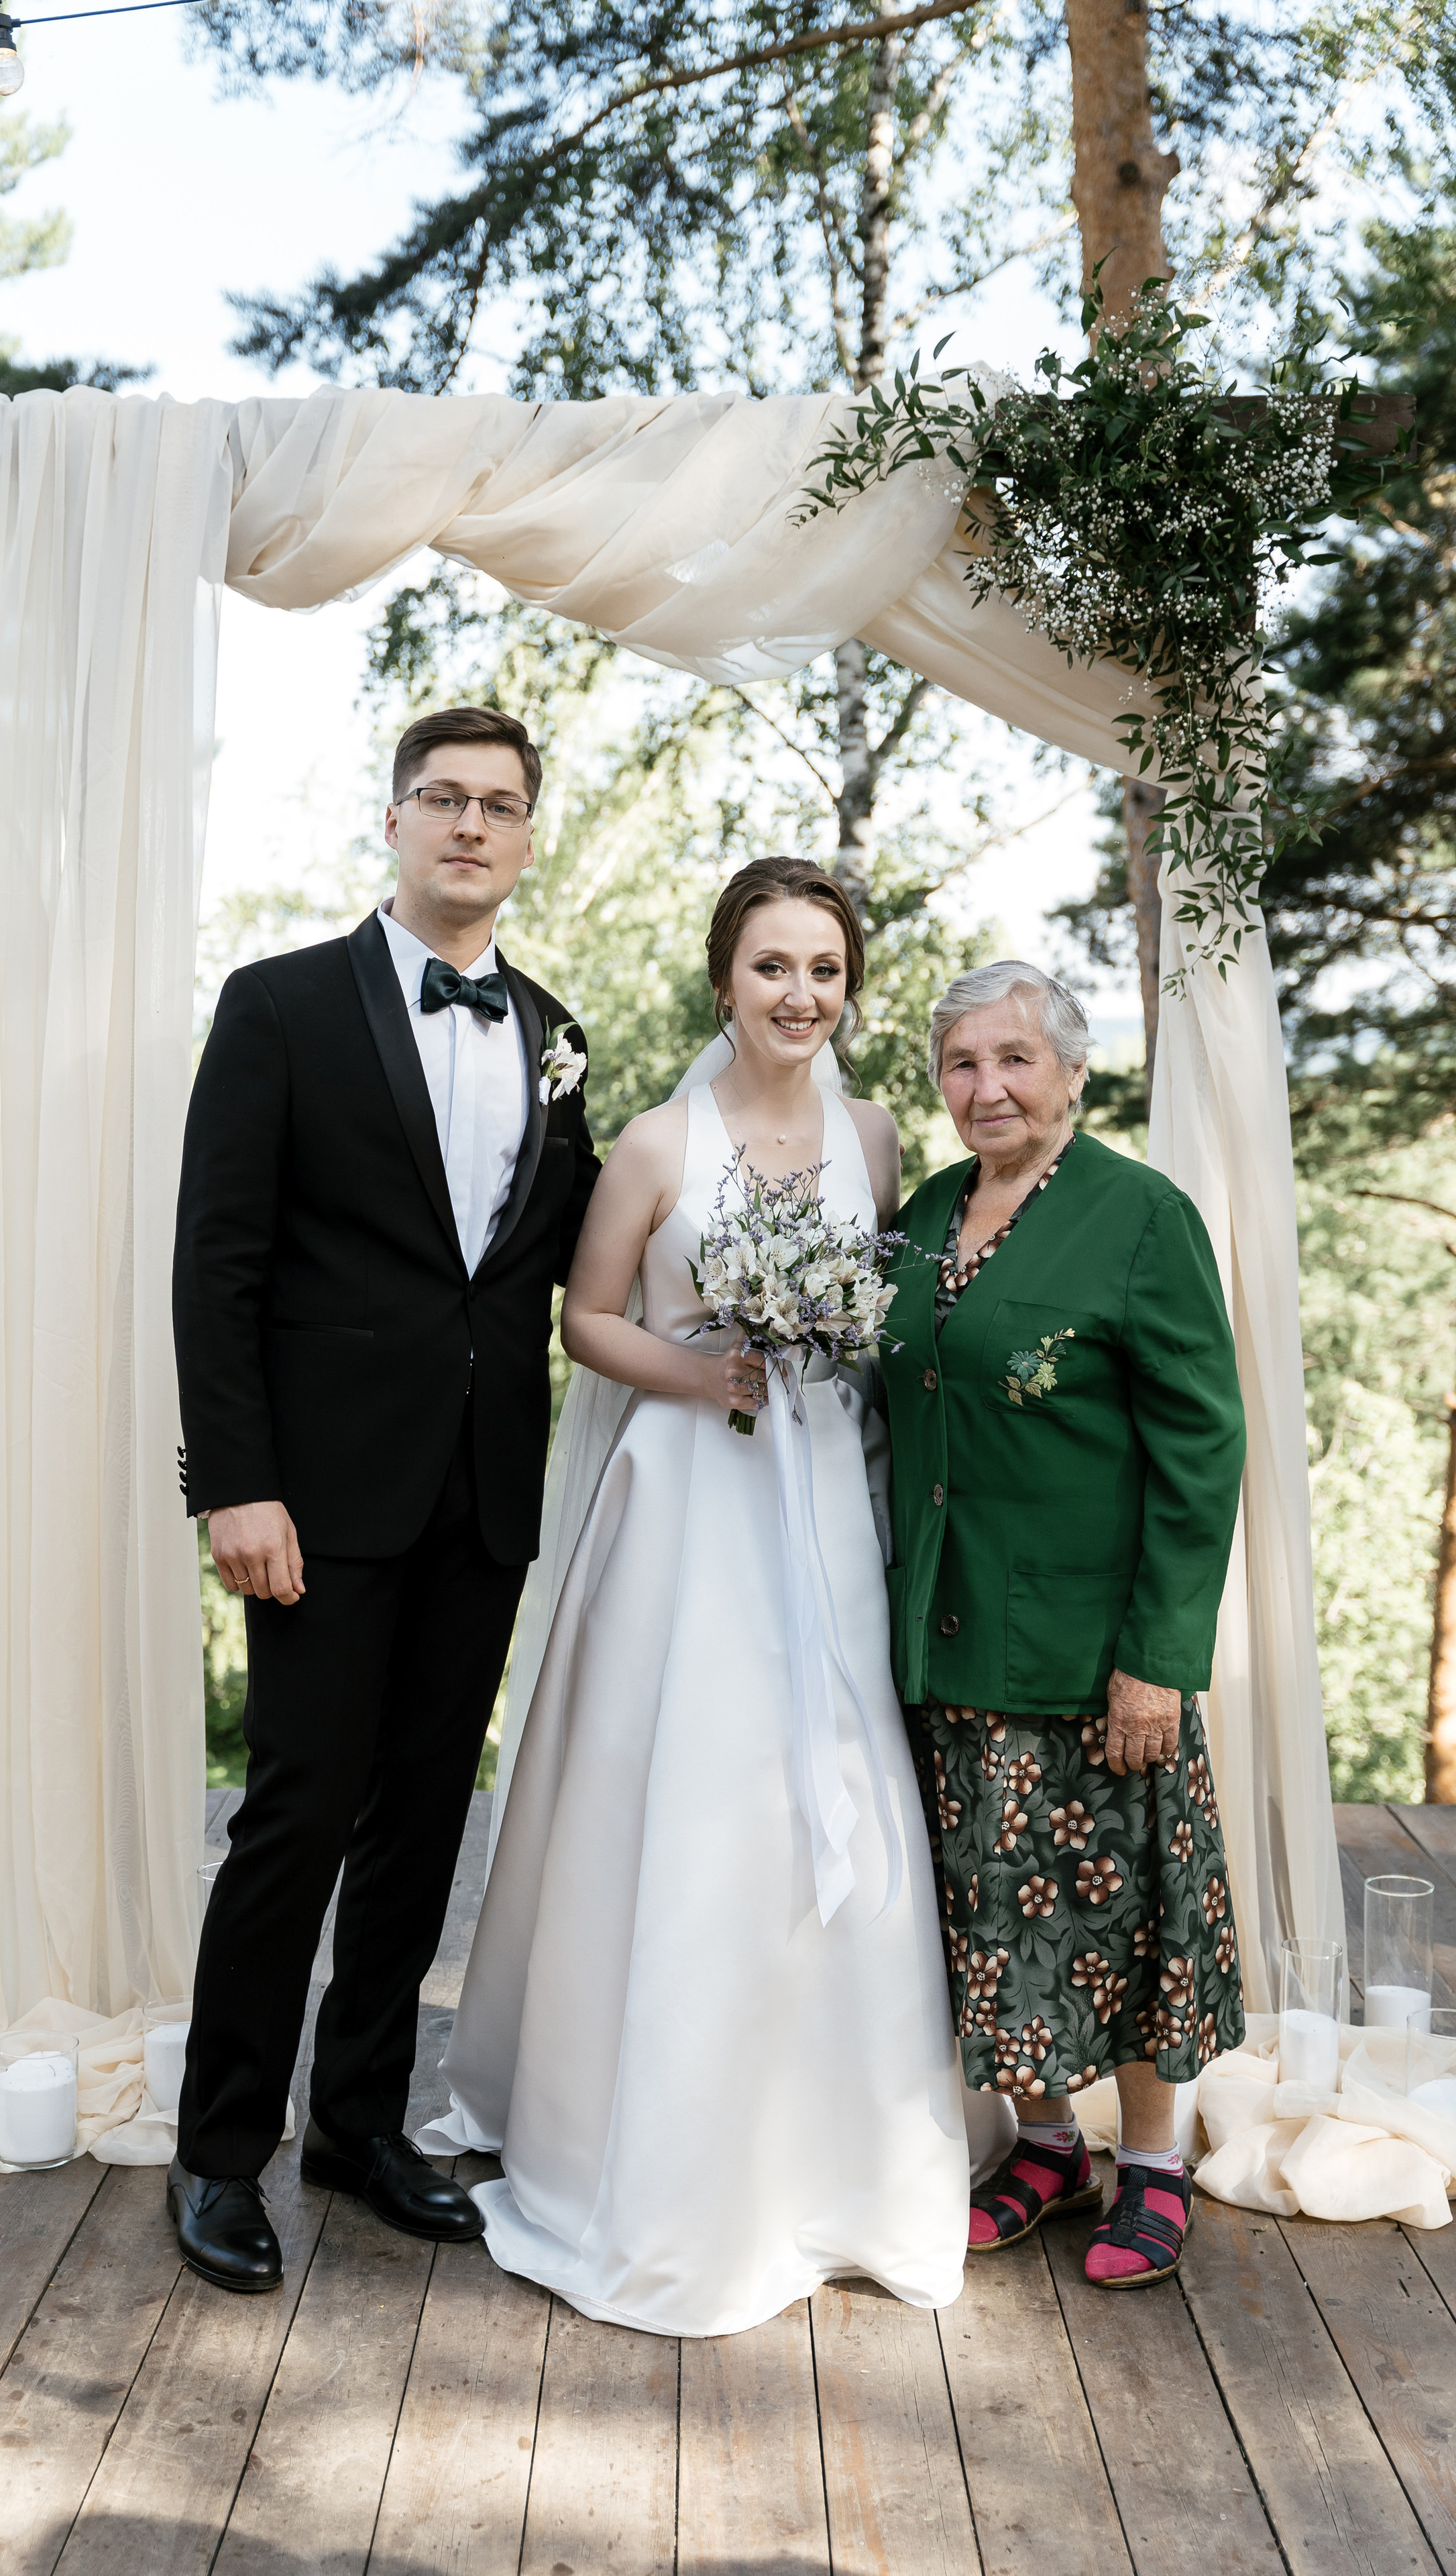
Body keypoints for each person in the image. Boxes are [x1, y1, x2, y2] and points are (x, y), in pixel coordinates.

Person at [417, 856, 972, 2337]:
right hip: (686, 1502)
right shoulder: (659, 1142)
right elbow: (585, 1319)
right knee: (677, 1797)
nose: (801, 996)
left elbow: (884, 1315)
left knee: (819, 1800)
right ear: (722, 978)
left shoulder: (871, 1131)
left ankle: (834, 2158)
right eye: (772, 967)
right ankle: (648, 2153)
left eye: (825, 971)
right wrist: (708, 1366)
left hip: (820, 1507)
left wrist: (822, 1344)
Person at [167, 705, 602, 2293]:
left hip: (479, 1499)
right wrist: (238, 1486)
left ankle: (355, 2128)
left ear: (527, 835)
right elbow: (216, 1264)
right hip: (318, 1500)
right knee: (295, 1818)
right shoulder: (278, 1005)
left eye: (498, 805)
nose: (469, 827)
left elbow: (558, 1261)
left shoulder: (558, 1031)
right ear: (397, 819)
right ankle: (221, 2152)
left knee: (421, 1825)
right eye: (443, 800)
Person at [881, 959, 1247, 2289]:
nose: (985, 1088)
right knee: (984, 1912)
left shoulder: (1137, 1216)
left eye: (1012, 1059)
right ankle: (1044, 2148)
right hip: (943, 1636)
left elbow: (1202, 1448)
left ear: (1070, 1071)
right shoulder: (921, 1214)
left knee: (1125, 1915)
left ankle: (1148, 2163)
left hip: (1093, 1655)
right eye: (963, 1063)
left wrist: (1157, 1663)